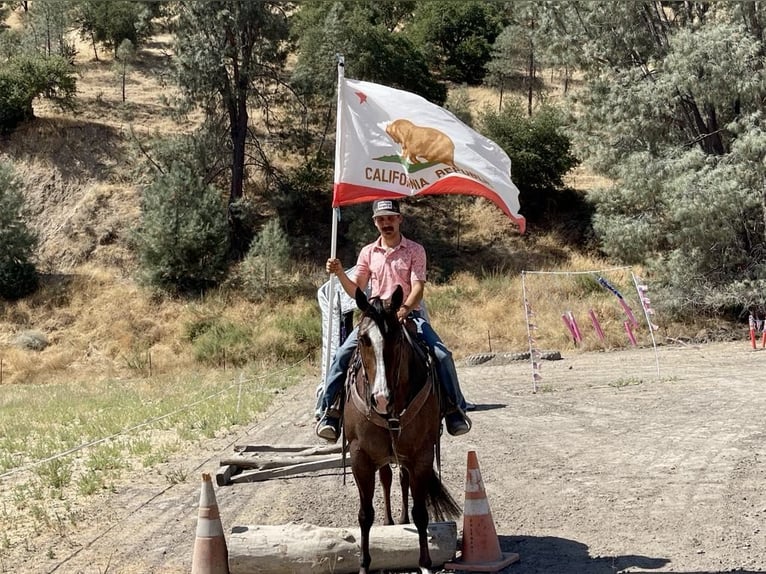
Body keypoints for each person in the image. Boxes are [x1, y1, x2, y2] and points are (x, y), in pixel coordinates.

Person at [316, 198, 472, 442]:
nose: (386, 223)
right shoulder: (368, 252)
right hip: (376, 316)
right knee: (342, 355)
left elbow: (418, 286)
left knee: (442, 354)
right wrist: (338, 273)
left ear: (399, 219)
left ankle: (454, 409)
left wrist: (405, 308)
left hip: (409, 313)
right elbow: (357, 289)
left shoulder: (415, 250)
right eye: (381, 219)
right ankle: (330, 412)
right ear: (375, 222)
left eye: (390, 218)